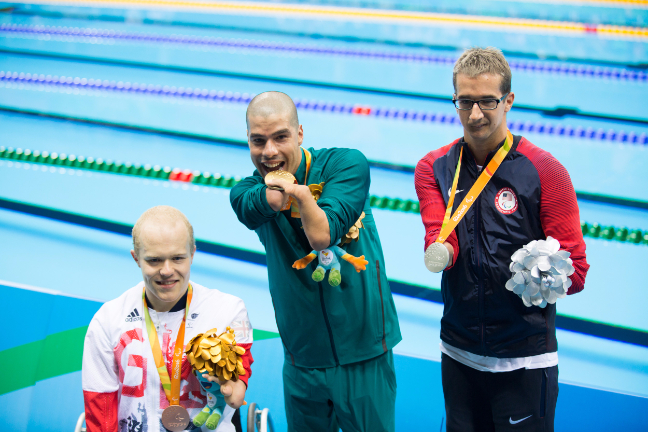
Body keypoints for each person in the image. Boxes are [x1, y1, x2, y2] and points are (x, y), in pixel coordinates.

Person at [414, 47, 589, 432]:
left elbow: (576, 273)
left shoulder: (545, 171)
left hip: (523, 360)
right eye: (465, 101)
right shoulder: (434, 168)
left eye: (487, 101)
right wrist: (441, 249)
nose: (475, 114)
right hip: (457, 352)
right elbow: (438, 234)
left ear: (508, 100)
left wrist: (544, 275)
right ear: (454, 99)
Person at [230, 91, 401, 432]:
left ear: (300, 134)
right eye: (258, 141)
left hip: (363, 352)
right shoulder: (245, 192)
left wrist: (302, 194)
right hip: (302, 359)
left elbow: (323, 235)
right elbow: (255, 203)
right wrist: (277, 189)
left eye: (280, 137)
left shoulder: (345, 165)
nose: (270, 152)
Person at [82, 206, 253, 432]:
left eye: (177, 258)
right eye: (154, 260)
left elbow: (238, 385)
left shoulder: (228, 311)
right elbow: (100, 407)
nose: (166, 270)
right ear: (136, 258)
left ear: (192, 253)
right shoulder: (108, 320)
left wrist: (231, 387)